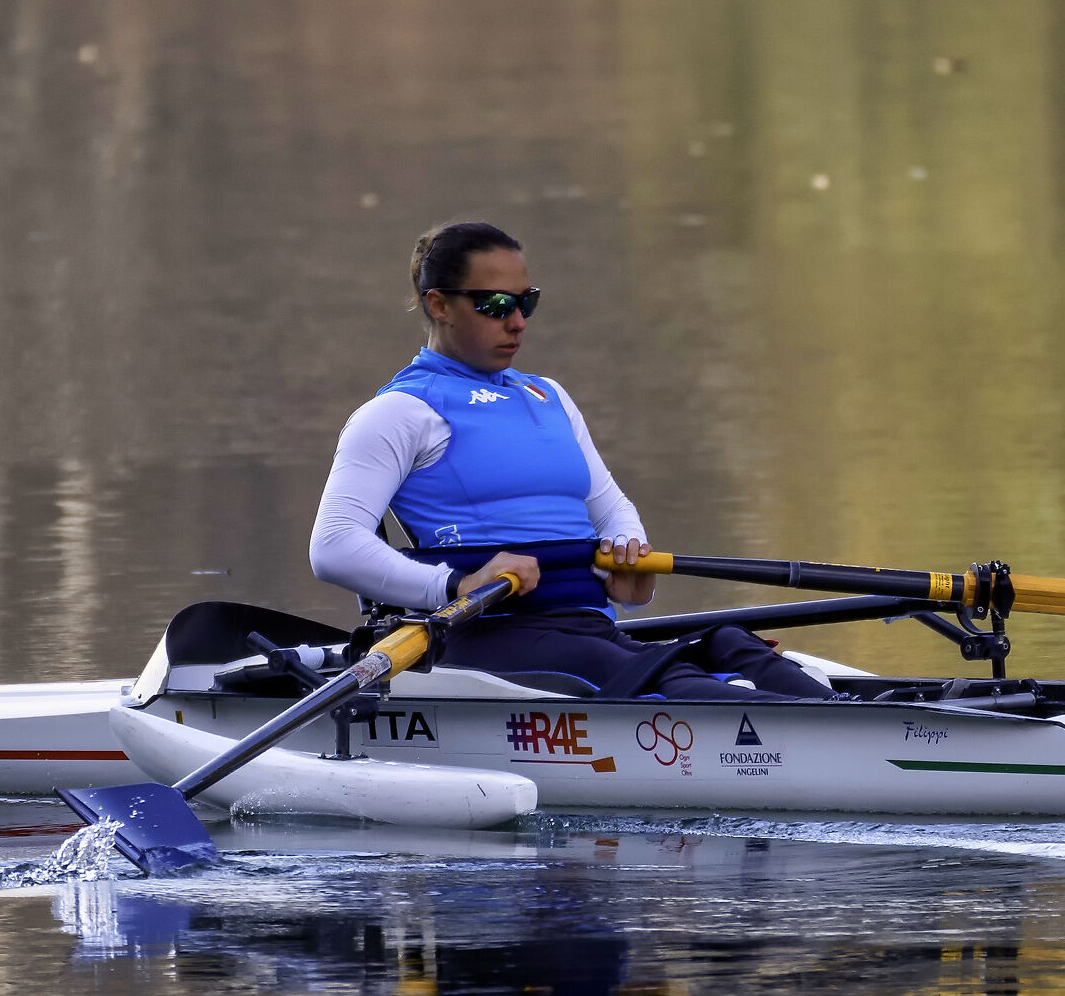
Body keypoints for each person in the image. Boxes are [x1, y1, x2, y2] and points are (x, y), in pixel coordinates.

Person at [308, 220, 836, 700]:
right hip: (492, 634)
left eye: (526, 303)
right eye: (495, 305)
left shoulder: (548, 396)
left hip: (587, 626)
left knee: (729, 641)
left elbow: (610, 506)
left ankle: (847, 716)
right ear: (439, 305)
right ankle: (827, 738)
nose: (517, 322)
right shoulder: (398, 413)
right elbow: (334, 547)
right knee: (649, 671)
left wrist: (628, 563)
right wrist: (452, 585)